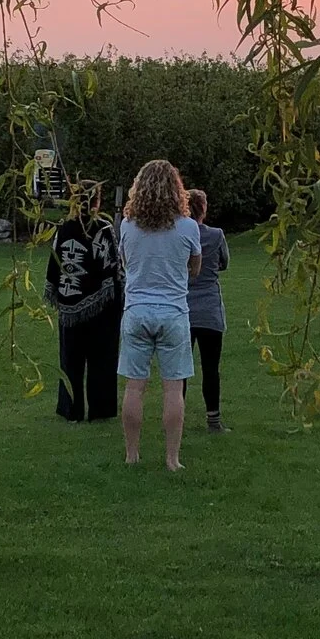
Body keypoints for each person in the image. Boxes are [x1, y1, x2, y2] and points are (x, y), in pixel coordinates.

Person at [116, 159, 203, 471]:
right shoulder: (189, 227)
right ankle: (172, 459)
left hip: (136, 310)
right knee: (172, 388)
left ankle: (131, 454)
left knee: (135, 386)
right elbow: (195, 268)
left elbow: (126, 263)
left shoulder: (127, 226)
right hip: (173, 312)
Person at [45, 179, 121, 421]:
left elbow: (54, 265)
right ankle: (101, 410)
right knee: (102, 359)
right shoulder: (103, 228)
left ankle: (71, 410)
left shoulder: (63, 228)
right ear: (97, 201)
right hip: (101, 307)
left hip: (69, 305)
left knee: (70, 361)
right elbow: (113, 268)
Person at [185, 187, 232, 433]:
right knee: (211, 368)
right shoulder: (215, 235)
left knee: (179, 369)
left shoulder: (179, 236)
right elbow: (224, 262)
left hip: (183, 308)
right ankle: (213, 419)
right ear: (204, 209)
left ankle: (176, 416)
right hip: (210, 309)